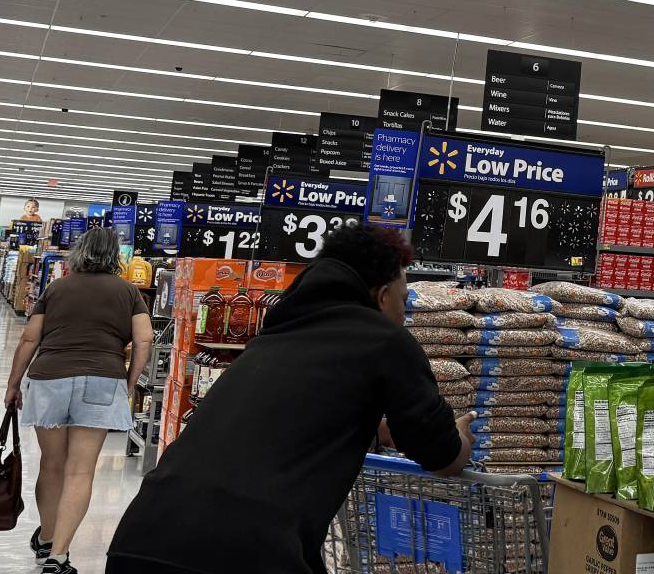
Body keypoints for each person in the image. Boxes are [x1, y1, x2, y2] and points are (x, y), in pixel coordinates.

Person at [106, 225, 471, 574]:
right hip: (245, 551)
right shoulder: (386, 340)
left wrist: (379, 430)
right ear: (381, 295)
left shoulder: (271, 339)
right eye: (403, 301)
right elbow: (441, 457)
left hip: (140, 536)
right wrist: (461, 440)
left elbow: (290, 417)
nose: (404, 313)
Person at [1, 227, 151, 574]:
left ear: (79, 251)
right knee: (80, 470)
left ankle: (47, 540)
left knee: (51, 465)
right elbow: (143, 341)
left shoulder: (56, 288)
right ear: (117, 256)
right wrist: (129, 383)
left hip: (49, 377)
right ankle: (60, 557)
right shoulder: (129, 292)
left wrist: (13, 384)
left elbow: (28, 339)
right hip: (102, 379)